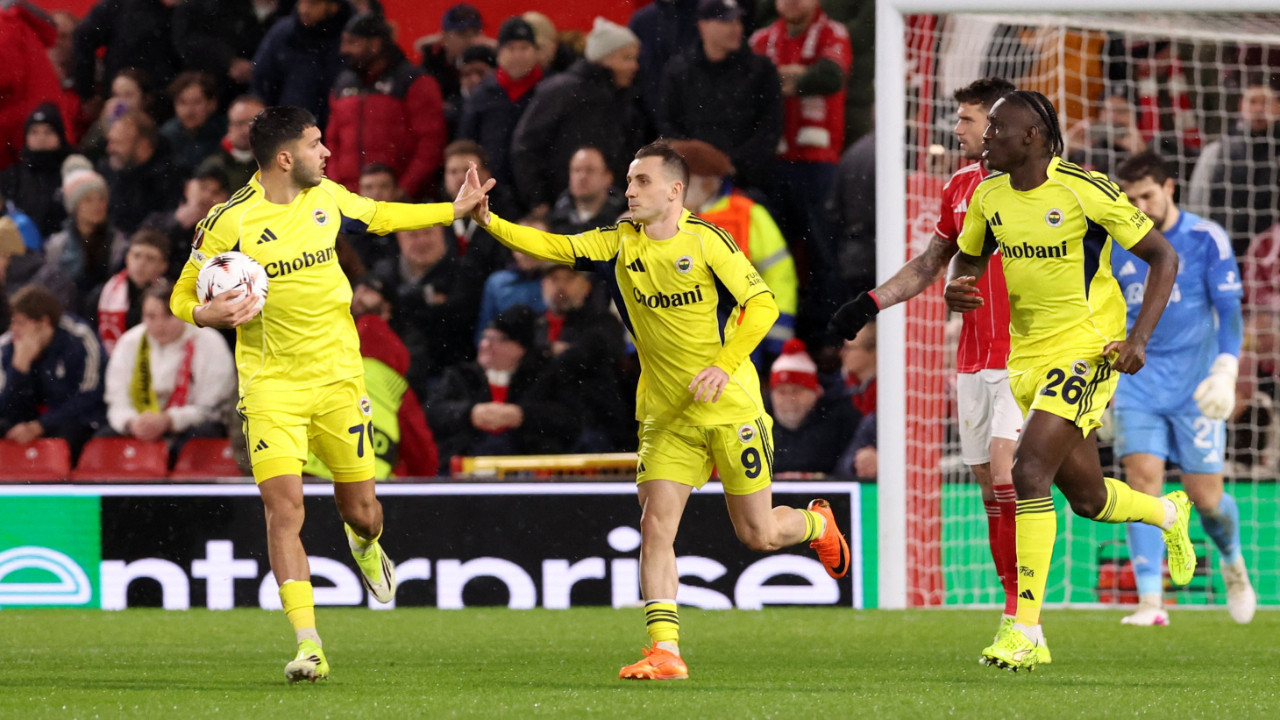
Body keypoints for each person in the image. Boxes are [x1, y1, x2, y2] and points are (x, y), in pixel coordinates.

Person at [464, 139, 851, 680]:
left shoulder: (709, 240)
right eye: (627, 181)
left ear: (675, 191)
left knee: (758, 535)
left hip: (730, 406)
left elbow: (762, 304)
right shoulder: (619, 242)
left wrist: (724, 363)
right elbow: (552, 246)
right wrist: (490, 222)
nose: (629, 191)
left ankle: (815, 524)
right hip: (666, 414)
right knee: (656, 525)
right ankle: (665, 650)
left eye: (641, 181)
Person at [169, 105, 494, 683]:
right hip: (271, 387)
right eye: (317, 144)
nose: (327, 153)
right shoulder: (228, 221)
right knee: (283, 509)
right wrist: (204, 311)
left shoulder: (330, 197)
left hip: (341, 382)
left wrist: (455, 209)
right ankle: (308, 644)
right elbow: (180, 295)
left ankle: (366, 546)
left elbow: (385, 215)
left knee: (362, 511)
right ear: (285, 157)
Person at [944, 90, 1194, 671]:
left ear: (1031, 136)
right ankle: (1168, 515)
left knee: (1027, 471)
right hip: (1027, 359)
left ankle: (1026, 630)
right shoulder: (988, 195)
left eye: (997, 130)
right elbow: (969, 258)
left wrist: (1138, 340)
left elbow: (1164, 257)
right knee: (1087, 497)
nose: (986, 140)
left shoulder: (1086, 190)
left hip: (1087, 350)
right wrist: (961, 283)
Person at [828, 78, 1028, 645]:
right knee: (992, 488)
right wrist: (869, 304)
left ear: (995, 125)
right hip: (972, 356)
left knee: (1011, 476)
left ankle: (1024, 615)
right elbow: (929, 264)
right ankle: (1016, 607)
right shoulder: (962, 185)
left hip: (1029, 354)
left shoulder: (1042, 186)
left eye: (966, 120)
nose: (956, 130)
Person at [1108, 150, 1255, 626]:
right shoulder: (1116, 245)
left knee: (1206, 498)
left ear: (1169, 187)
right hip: (1139, 383)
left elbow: (1229, 312)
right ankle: (1152, 602)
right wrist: (1104, 384)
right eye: (1130, 199)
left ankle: (1233, 563)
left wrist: (1227, 369)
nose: (1139, 206)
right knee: (1143, 482)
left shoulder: (1205, 237)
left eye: (1146, 195)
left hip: (1196, 385)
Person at [750, 0, 852, 305]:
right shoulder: (761, 39)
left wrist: (781, 80)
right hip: (773, 164)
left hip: (818, 165)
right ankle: (777, 333)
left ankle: (825, 340)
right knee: (774, 255)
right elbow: (751, 87)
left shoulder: (833, 33)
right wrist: (796, 77)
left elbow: (828, 78)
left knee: (824, 253)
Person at [674, 139, 797, 357]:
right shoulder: (660, 218)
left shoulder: (747, 214)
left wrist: (775, 337)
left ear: (708, 183)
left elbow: (779, 275)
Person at [510, 17, 644, 215]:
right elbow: (526, 148)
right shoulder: (562, 91)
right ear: (603, 58)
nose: (634, 66)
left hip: (612, 209)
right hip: (563, 212)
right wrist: (538, 200)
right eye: (626, 58)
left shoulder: (623, 97)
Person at [426, 304, 581, 474]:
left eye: (499, 339)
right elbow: (433, 412)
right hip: (466, 465)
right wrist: (470, 413)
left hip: (527, 468)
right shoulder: (461, 376)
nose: (487, 345)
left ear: (521, 348)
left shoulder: (542, 377)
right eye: (485, 337)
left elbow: (568, 418)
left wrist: (522, 415)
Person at [658, 0, 783, 193]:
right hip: (693, 182)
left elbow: (769, 127)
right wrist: (697, 160)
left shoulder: (761, 70)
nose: (736, 28)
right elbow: (667, 123)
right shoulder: (678, 71)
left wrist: (734, 166)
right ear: (703, 26)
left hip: (749, 183)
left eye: (738, 21)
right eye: (726, 21)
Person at [103, 280, 235, 461]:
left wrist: (169, 420)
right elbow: (116, 400)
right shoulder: (129, 342)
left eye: (168, 315)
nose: (159, 324)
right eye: (150, 316)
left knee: (200, 437)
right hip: (139, 423)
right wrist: (132, 422)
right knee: (102, 442)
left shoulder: (210, 343)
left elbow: (212, 407)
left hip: (191, 428)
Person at [327, 12, 445, 201]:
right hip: (351, 204)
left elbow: (430, 143)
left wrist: (405, 190)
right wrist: (337, 189)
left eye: (352, 42)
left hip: (400, 203)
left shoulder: (414, 81)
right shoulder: (342, 83)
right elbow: (332, 142)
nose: (344, 49)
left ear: (375, 44)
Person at [0, 284, 106, 456]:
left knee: (69, 432)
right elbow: (6, 407)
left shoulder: (79, 338)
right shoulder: (8, 346)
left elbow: (88, 395)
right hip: (29, 418)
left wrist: (42, 425)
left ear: (44, 322)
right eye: (13, 323)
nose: (14, 330)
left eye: (21, 323)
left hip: (70, 419)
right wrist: (19, 369)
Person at [458, 16, 543, 196]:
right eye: (511, 48)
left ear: (536, 52)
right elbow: (466, 143)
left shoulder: (548, 92)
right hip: (491, 191)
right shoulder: (481, 95)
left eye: (525, 48)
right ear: (499, 52)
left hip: (539, 191)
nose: (518, 55)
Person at [252, 0, 351, 129]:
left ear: (333, 7)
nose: (304, 10)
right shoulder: (283, 34)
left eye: (313, 4)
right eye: (301, 3)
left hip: (339, 129)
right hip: (290, 129)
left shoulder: (348, 37)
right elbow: (262, 82)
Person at [767, 338, 857, 475]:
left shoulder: (840, 421)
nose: (789, 399)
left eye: (796, 391)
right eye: (781, 392)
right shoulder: (756, 423)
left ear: (816, 392)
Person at [98, 110, 187, 234]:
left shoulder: (171, 176)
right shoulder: (108, 169)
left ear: (143, 145)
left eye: (117, 143)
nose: (109, 149)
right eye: (110, 141)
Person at [91, 228, 169, 353]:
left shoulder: (172, 298)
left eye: (150, 258)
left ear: (163, 266)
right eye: (136, 255)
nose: (141, 263)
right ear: (127, 258)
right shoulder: (102, 294)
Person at [0, 103, 71, 239]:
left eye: (48, 131)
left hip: (63, 251)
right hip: (20, 252)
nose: (41, 137)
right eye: (34, 131)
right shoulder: (12, 176)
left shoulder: (71, 172)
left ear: (60, 135)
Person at [546, 146, 628, 236]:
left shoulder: (625, 219)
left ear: (608, 177)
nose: (582, 177)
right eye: (576, 170)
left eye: (590, 170)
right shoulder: (553, 221)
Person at [159, 72, 227, 172]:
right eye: (183, 102)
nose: (189, 111)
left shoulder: (225, 131)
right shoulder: (166, 135)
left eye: (197, 102)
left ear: (212, 104)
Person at [212, 95, 267, 191]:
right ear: (230, 127)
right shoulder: (213, 167)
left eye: (253, 123)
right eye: (240, 123)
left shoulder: (279, 165)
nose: (246, 130)